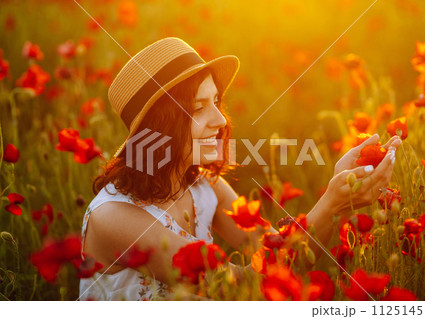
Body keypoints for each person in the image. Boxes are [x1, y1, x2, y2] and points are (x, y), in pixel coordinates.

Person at [78, 37, 401, 301]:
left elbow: (281, 260)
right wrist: (332, 203)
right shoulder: (115, 217)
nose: (219, 120)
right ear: (158, 126)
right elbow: (236, 287)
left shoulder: (204, 185)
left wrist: (338, 197)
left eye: (216, 101)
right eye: (197, 108)